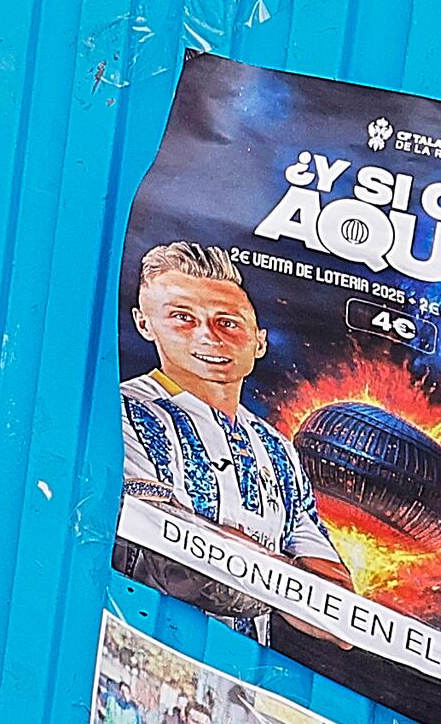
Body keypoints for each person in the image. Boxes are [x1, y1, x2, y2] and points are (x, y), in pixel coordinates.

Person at [116, 243, 355, 590]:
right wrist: (290, 578)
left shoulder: (278, 450)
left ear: (259, 343)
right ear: (144, 323)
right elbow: (158, 553)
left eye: (227, 323)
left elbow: (334, 600)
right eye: (183, 318)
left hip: (246, 644)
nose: (208, 336)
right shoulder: (122, 411)